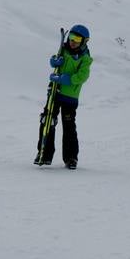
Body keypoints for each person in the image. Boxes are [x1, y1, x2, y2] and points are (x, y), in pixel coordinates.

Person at [35, 25, 92, 169]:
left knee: (69, 126)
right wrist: (54, 60)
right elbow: (55, 60)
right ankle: (44, 154)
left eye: (77, 39)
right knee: (47, 120)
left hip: (69, 97)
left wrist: (66, 79)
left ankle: (71, 158)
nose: (72, 41)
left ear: (84, 41)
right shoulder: (64, 49)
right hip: (55, 91)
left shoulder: (85, 58)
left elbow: (83, 76)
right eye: (71, 37)